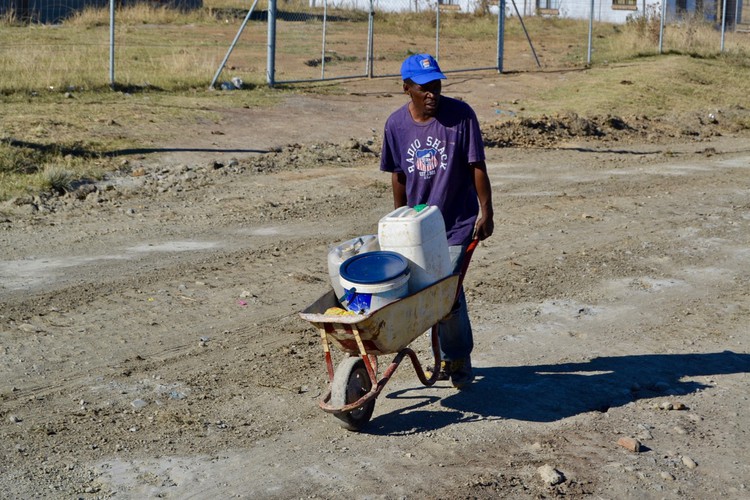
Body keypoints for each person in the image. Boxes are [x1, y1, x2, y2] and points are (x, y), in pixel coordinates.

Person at [379, 53, 494, 389]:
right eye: (424, 87)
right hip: (417, 227)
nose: (432, 93)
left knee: (448, 293)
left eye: (437, 85)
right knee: (426, 294)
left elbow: (477, 166)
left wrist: (486, 210)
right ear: (406, 88)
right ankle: (444, 355)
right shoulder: (396, 126)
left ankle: (457, 358)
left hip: (457, 222)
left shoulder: (461, 117)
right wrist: (398, 219)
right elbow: (398, 176)